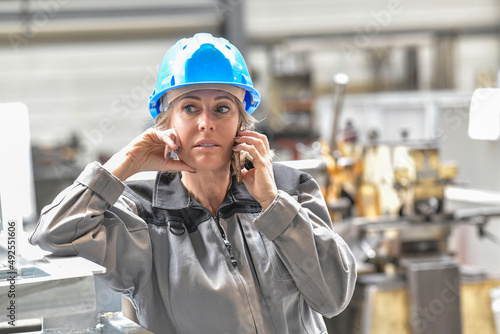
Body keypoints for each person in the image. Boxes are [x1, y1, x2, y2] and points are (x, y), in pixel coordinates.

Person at [30, 33, 357, 334]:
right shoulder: (142, 217)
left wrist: (272, 204)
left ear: (242, 123)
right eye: (190, 108)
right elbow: (51, 233)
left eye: (222, 108)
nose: (206, 123)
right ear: (166, 121)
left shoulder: (290, 189)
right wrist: (125, 162)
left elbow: (333, 297)